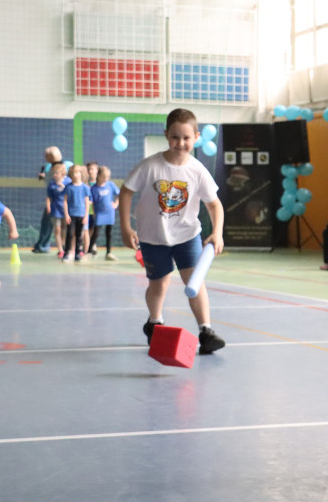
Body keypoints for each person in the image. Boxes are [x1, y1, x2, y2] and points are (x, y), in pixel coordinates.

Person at [119, 108, 226, 355]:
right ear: (166, 135)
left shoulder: (198, 170)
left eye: (186, 138)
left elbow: (214, 204)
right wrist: (126, 227)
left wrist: (217, 232)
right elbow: (126, 191)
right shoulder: (150, 166)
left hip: (187, 236)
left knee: (195, 281)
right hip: (153, 237)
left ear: (196, 137)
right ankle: (155, 322)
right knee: (159, 285)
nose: (180, 143)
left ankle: (206, 330)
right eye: (175, 137)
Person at [33, 146, 62, 253]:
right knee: (47, 223)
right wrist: (43, 176)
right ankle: (42, 245)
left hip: (62, 201)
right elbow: (50, 181)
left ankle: (65, 247)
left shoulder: (65, 166)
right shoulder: (49, 168)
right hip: (53, 200)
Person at [89, 165, 119, 260]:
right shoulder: (94, 189)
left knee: (108, 233)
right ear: (98, 176)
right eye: (104, 177)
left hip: (109, 212)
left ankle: (108, 253)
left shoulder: (111, 185)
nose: (106, 179)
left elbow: (119, 194)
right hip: (99, 213)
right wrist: (94, 213)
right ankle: (89, 252)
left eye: (107, 177)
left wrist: (116, 203)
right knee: (96, 233)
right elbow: (92, 202)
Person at [63, 163, 90, 262]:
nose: (76, 175)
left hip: (81, 215)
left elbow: (87, 202)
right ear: (71, 175)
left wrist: (86, 216)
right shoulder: (68, 187)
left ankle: (77, 253)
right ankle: (67, 252)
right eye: (74, 173)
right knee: (70, 234)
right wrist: (66, 214)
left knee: (79, 235)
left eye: (78, 172)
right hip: (71, 215)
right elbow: (65, 201)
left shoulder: (85, 188)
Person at [45, 161, 70, 259]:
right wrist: (48, 206)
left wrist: (63, 186)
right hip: (56, 210)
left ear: (62, 173)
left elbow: (70, 194)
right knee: (57, 229)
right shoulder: (51, 184)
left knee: (65, 228)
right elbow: (49, 197)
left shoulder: (68, 182)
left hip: (66, 210)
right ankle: (60, 249)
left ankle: (64, 245)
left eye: (57, 173)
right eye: (53, 173)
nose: (54, 175)